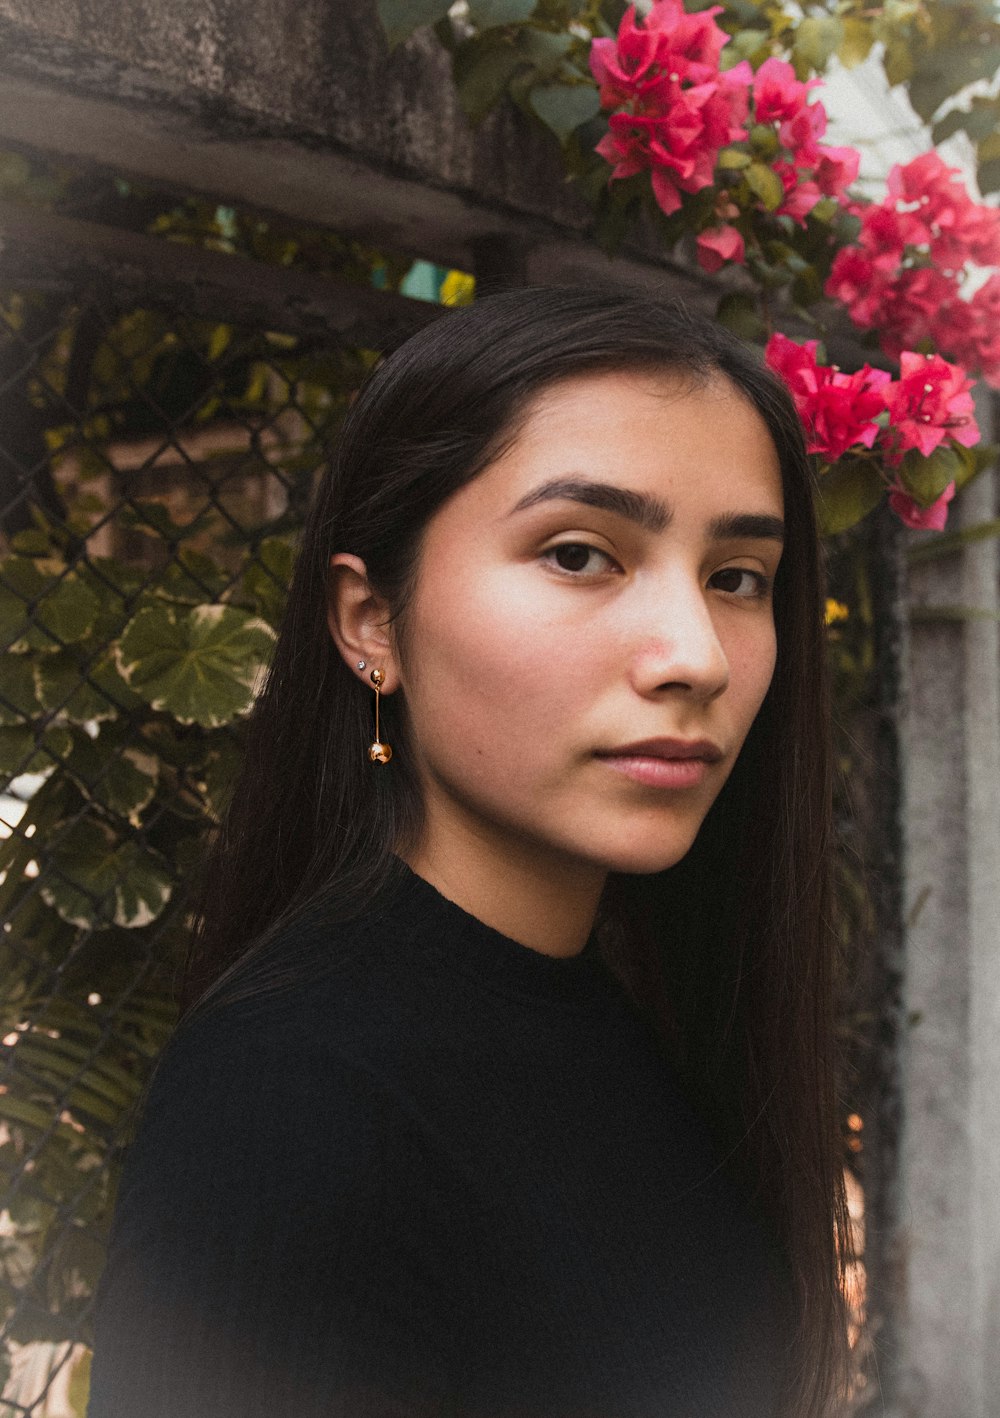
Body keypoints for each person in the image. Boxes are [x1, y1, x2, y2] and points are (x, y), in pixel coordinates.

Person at [86, 286, 852, 1418]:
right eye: (581, 553)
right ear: (371, 622)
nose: (695, 654)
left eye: (736, 575)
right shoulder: (292, 1100)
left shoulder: (649, 1007)